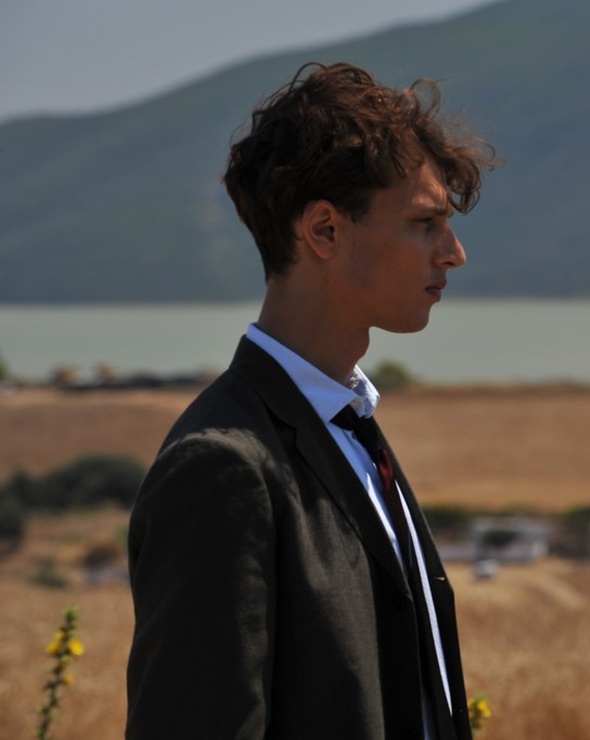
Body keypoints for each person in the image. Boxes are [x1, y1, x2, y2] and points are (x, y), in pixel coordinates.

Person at [126, 62, 494, 740]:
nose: (454, 253)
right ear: (323, 230)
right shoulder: (223, 467)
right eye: (424, 223)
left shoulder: (352, 428)